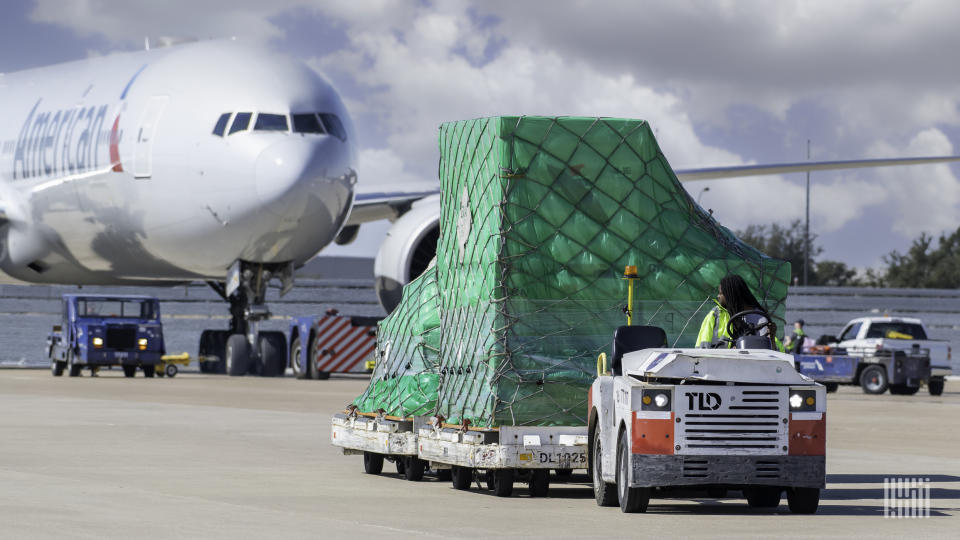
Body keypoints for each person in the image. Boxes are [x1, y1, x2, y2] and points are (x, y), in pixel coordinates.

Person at [695, 274, 778, 349]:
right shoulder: (715, 314)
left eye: (721, 293)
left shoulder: (760, 318)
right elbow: (702, 346)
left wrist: (772, 339)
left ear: (731, 295)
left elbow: (767, 351)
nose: (718, 296)